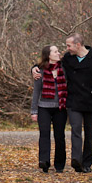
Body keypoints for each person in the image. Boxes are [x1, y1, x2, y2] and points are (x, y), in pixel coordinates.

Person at [33, 33, 92, 173]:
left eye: (69, 45)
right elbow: (48, 63)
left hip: (90, 101)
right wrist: (34, 68)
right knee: (75, 130)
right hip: (73, 101)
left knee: (89, 133)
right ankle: (76, 159)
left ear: (78, 45)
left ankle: (86, 163)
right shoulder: (68, 59)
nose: (66, 49)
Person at [31, 45, 68, 173]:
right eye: (56, 51)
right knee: (44, 134)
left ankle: (59, 164)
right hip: (43, 107)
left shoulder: (64, 68)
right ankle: (44, 161)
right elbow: (36, 92)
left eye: (58, 51)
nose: (58, 53)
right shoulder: (39, 71)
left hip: (60, 107)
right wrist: (34, 111)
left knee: (59, 136)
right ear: (48, 55)